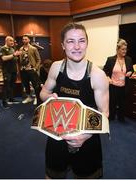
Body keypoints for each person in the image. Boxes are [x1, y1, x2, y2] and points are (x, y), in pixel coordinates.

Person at [40, 22, 109, 179]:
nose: (77, 46)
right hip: (56, 136)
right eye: (71, 41)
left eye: (82, 40)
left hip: (87, 139)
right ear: (63, 45)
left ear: (87, 43)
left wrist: (85, 136)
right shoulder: (56, 68)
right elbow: (43, 93)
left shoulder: (98, 75)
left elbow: (104, 113)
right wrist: (48, 97)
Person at [103, 38, 133, 122]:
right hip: (113, 86)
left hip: (124, 86)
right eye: (123, 49)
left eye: (126, 49)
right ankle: (111, 117)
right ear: (118, 49)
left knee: (122, 104)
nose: (125, 51)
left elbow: (131, 69)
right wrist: (108, 78)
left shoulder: (128, 59)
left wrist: (130, 72)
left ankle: (121, 118)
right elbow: (105, 70)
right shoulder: (111, 59)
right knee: (112, 104)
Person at [0, 36, 21, 109]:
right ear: (6, 41)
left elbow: (15, 60)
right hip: (7, 71)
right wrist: (14, 54)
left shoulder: (12, 49)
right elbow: (4, 58)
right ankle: (4, 102)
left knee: (12, 86)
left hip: (13, 71)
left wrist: (17, 70)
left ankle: (11, 99)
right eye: (11, 41)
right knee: (6, 87)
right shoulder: (2, 49)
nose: (12, 42)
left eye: (13, 41)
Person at [19, 35, 42, 106]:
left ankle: (36, 98)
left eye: (25, 39)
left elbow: (39, 59)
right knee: (26, 85)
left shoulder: (33, 48)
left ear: (29, 40)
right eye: (23, 39)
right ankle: (29, 97)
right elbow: (20, 59)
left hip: (32, 70)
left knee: (35, 85)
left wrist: (35, 68)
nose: (24, 40)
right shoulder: (21, 49)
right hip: (23, 70)